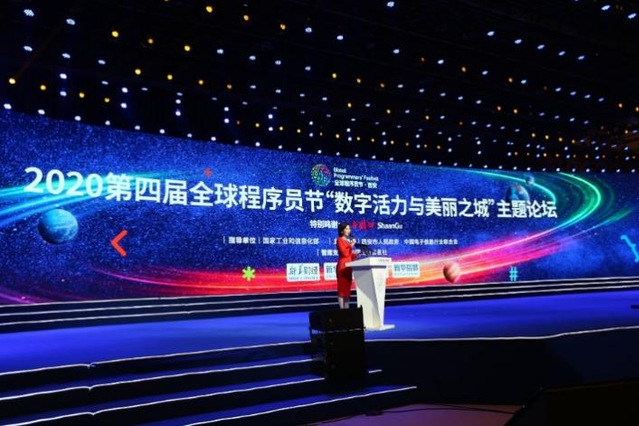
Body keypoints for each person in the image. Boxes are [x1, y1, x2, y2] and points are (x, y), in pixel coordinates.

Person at [336, 222, 357, 309]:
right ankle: (342, 311)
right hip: (342, 267)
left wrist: (357, 254)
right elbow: (344, 253)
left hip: (348, 267)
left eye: (349, 229)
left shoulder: (347, 242)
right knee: (342, 290)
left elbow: (349, 255)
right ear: (342, 231)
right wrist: (351, 245)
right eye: (347, 229)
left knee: (347, 291)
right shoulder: (339, 240)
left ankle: (347, 310)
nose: (349, 230)